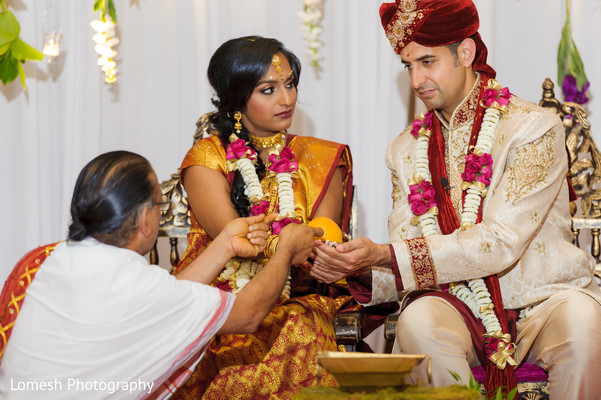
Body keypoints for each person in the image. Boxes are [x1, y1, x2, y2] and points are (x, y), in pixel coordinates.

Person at [309, 1, 601, 398]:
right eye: (407, 65)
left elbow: (499, 241)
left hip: (541, 301)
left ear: (465, 52)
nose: (415, 79)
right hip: (454, 305)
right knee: (418, 322)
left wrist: (382, 255)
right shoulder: (405, 149)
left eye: (427, 62)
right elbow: (403, 251)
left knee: (583, 322)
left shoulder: (533, 128)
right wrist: (354, 266)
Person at [0, 151, 322, 399]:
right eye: (159, 203)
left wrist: (224, 244)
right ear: (144, 219)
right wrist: (285, 251)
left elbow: (164, 298)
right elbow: (247, 316)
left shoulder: (45, 260)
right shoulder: (132, 281)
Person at [169, 36, 368, 400]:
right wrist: (291, 244)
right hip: (221, 296)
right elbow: (238, 242)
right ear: (236, 97)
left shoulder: (320, 158)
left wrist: (304, 246)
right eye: (269, 89)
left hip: (301, 295)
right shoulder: (206, 158)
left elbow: (321, 244)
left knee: (297, 328)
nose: (287, 99)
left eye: (290, 84)